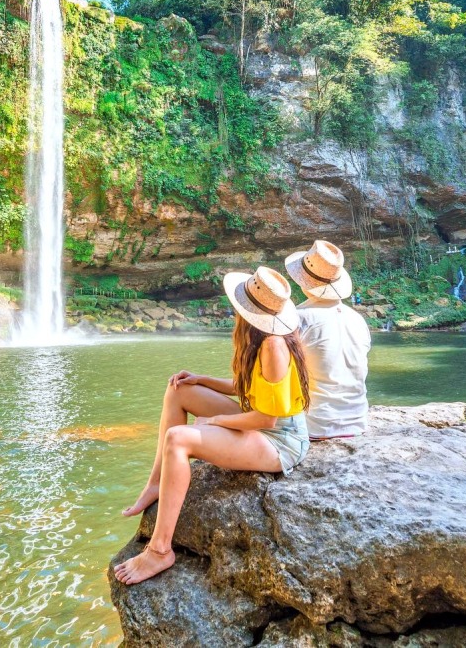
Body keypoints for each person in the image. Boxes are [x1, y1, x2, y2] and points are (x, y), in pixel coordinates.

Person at [114, 267, 311, 586]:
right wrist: (201, 380)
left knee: (178, 439)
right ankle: (156, 483)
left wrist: (217, 422)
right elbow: (249, 387)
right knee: (179, 390)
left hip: (280, 442)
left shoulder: (273, 345)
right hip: (260, 423)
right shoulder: (259, 337)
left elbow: (266, 419)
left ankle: (160, 551)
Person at [284, 240, 371, 439]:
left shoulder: (298, 319)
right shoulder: (357, 319)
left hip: (315, 426)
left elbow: (281, 376)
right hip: (357, 422)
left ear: (302, 282)